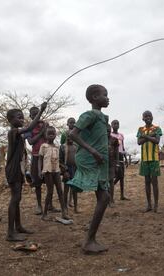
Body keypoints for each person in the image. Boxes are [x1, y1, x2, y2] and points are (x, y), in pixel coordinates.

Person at [68, 84, 110, 254]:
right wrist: (92, 151)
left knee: (104, 196)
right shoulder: (89, 115)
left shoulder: (101, 117)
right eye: (104, 95)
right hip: (91, 160)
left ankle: (90, 239)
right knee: (104, 197)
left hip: (99, 161)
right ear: (94, 97)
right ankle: (89, 240)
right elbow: (72, 134)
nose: (108, 98)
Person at [5, 102, 47, 241]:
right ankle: (10, 233)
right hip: (13, 168)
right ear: (10, 120)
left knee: (17, 198)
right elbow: (30, 127)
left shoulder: (19, 134)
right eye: (19, 117)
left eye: (23, 117)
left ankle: (18, 227)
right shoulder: (13, 132)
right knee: (15, 198)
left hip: (19, 168)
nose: (22, 120)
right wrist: (41, 111)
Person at [25, 106, 51, 215]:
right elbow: (30, 142)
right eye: (34, 114)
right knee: (37, 183)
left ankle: (49, 204)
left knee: (50, 181)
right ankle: (39, 205)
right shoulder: (28, 128)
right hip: (36, 157)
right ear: (30, 116)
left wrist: (45, 128)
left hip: (47, 156)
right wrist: (41, 132)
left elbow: (48, 137)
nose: (36, 115)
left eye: (38, 113)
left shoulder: (44, 124)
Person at [38, 126, 69, 221]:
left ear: (56, 135)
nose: (51, 136)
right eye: (49, 134)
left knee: (60, 190)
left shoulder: (56, 147)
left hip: (56, 171)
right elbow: (40, 159)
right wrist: (39, 171)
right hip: (47, 171)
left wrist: (63, 167)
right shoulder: (43, 146)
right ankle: (44, 214)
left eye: (53, 134)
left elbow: (57, 160)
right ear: (45, 135)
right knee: (50, 191)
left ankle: (64, 212)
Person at [137, 111, 162, 213]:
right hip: (144, 160)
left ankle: (156, 205)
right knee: (147, 182)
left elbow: (157, 141)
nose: (147, 118)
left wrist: (145, 136)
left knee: (154, 182)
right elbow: (139, 142)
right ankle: (149, 205)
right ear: (143, 118)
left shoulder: (157, 128)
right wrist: (151, 136)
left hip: (154, 159)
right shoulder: (140, 129)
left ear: (152, 117)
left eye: (149, 116)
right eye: (145, 116)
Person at [59, 125, 79, 213]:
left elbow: (79, 159)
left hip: (75, 170)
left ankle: (75, 207)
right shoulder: (62, 147)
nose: (69, 138)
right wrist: (64, 171)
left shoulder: (76, 147)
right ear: (65, 137)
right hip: (66, 170)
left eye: (71, 136)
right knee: (66, 190)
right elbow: (60, 161)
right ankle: (65, 208)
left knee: (74, 190)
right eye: (68, 136)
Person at [111, 120, 129, 200]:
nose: (116, 125)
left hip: (121, 155)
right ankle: (110, 190)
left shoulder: (121, 135)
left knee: (122, 177)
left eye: (117, 124)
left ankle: (122, 195)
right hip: (114, 156)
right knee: (116, 175)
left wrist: (125, 158)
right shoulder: (110, 135)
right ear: (111, 125)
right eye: (114, 124)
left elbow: (123, 147)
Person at [108, 125, 119, 207]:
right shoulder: (101, 139)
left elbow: (116, 152)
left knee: (111, 181)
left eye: (108, 130)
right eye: (106, 130)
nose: (107, 132)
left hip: (112, 163)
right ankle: (105, 199)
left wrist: (117, 163)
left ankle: (111, 199)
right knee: (104, 182)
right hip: (103, 163)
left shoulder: (114, 140)